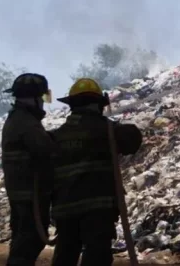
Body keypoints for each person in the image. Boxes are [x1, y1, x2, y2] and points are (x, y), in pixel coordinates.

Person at [49, 78, 143, 266]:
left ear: (72, 105)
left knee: (65, 253)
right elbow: (133, 140)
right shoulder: (107, 131)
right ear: (100, 105)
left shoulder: (55, 136)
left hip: (65, 208)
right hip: (98, 208)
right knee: (96, 254)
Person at [0, 73, 57, 266]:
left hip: (20, 192)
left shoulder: (17, 119)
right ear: (36, 97)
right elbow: (46, 151)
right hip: (29, 194)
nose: (43, 103)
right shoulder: (27, 123)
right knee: (29, 241)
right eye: (42, 98)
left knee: (23, 239)